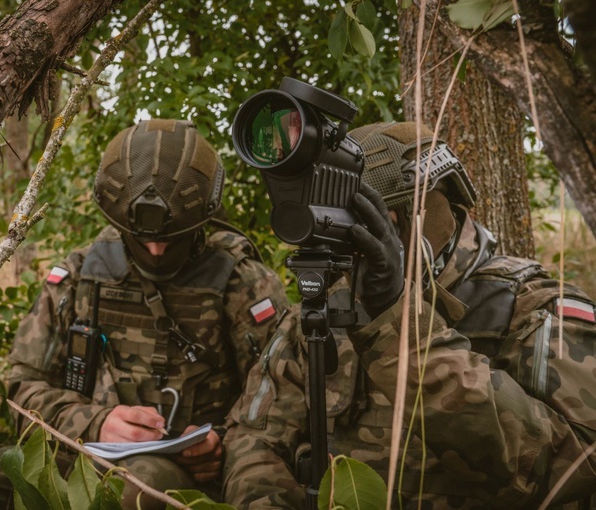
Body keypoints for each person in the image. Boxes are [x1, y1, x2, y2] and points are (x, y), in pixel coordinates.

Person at [223, 121, 596, 509]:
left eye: (379, 224)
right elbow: (254, 440)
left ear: (424, 214)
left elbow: (573, 470)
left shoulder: (530, 310)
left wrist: (398, 319)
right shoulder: (323, 309)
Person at [6, 118, 290, 509]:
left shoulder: (243, 284)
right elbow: (20, 389)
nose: (156, 252)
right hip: (86, 455)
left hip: (192, 477)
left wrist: (220, 443)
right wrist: (95, 423)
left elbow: (283, 403)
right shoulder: (79, 278)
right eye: (142, 239)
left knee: (137, 484)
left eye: (171, 240)